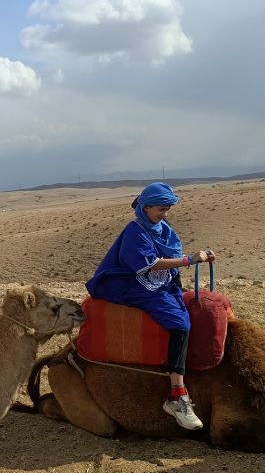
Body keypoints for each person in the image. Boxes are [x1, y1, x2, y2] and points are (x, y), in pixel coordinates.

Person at [85, 182, 215, 430]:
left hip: (159, 283)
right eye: (161, 210)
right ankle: (176, 396)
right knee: (180, 325)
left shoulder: (161, 228)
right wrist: (188, 260)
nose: (165, 215)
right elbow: (149, 264)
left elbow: (168, 260)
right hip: (135, 284)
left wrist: (199, 258)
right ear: (145, 208)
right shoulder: (135, 231)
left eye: (167, 210)